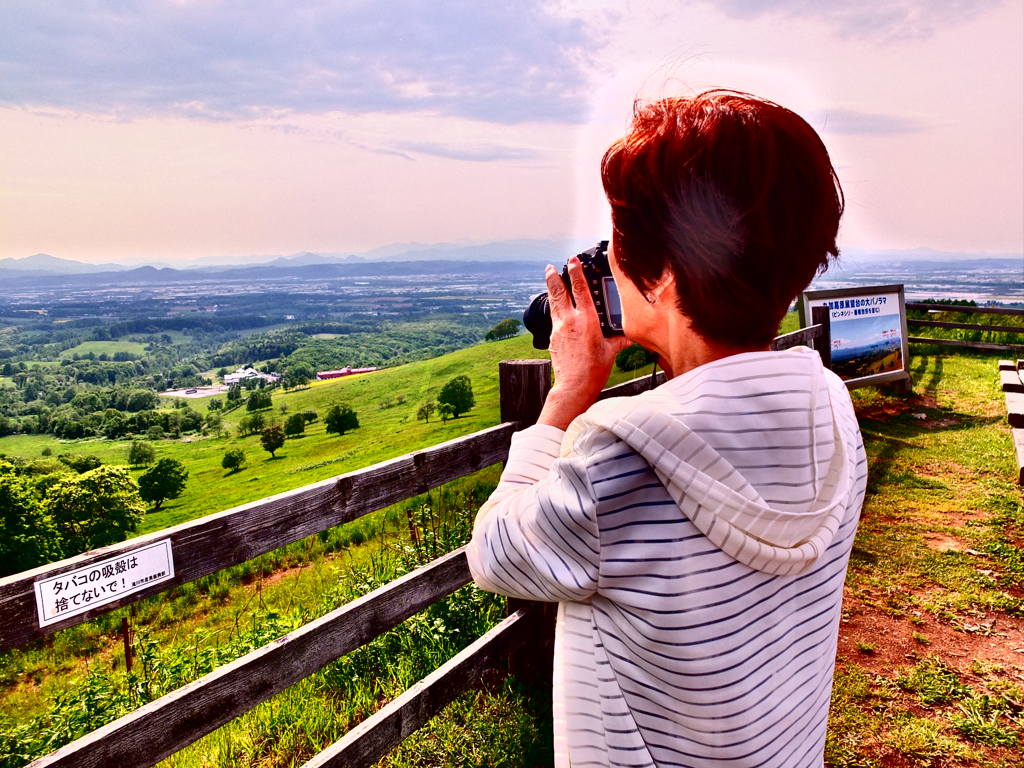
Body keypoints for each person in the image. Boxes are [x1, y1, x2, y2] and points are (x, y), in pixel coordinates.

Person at [466, 90, 866, 768]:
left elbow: (496, 554)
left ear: (665, 269)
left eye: (622, 241)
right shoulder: (829, 408)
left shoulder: (618, 461)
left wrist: (567, 396)